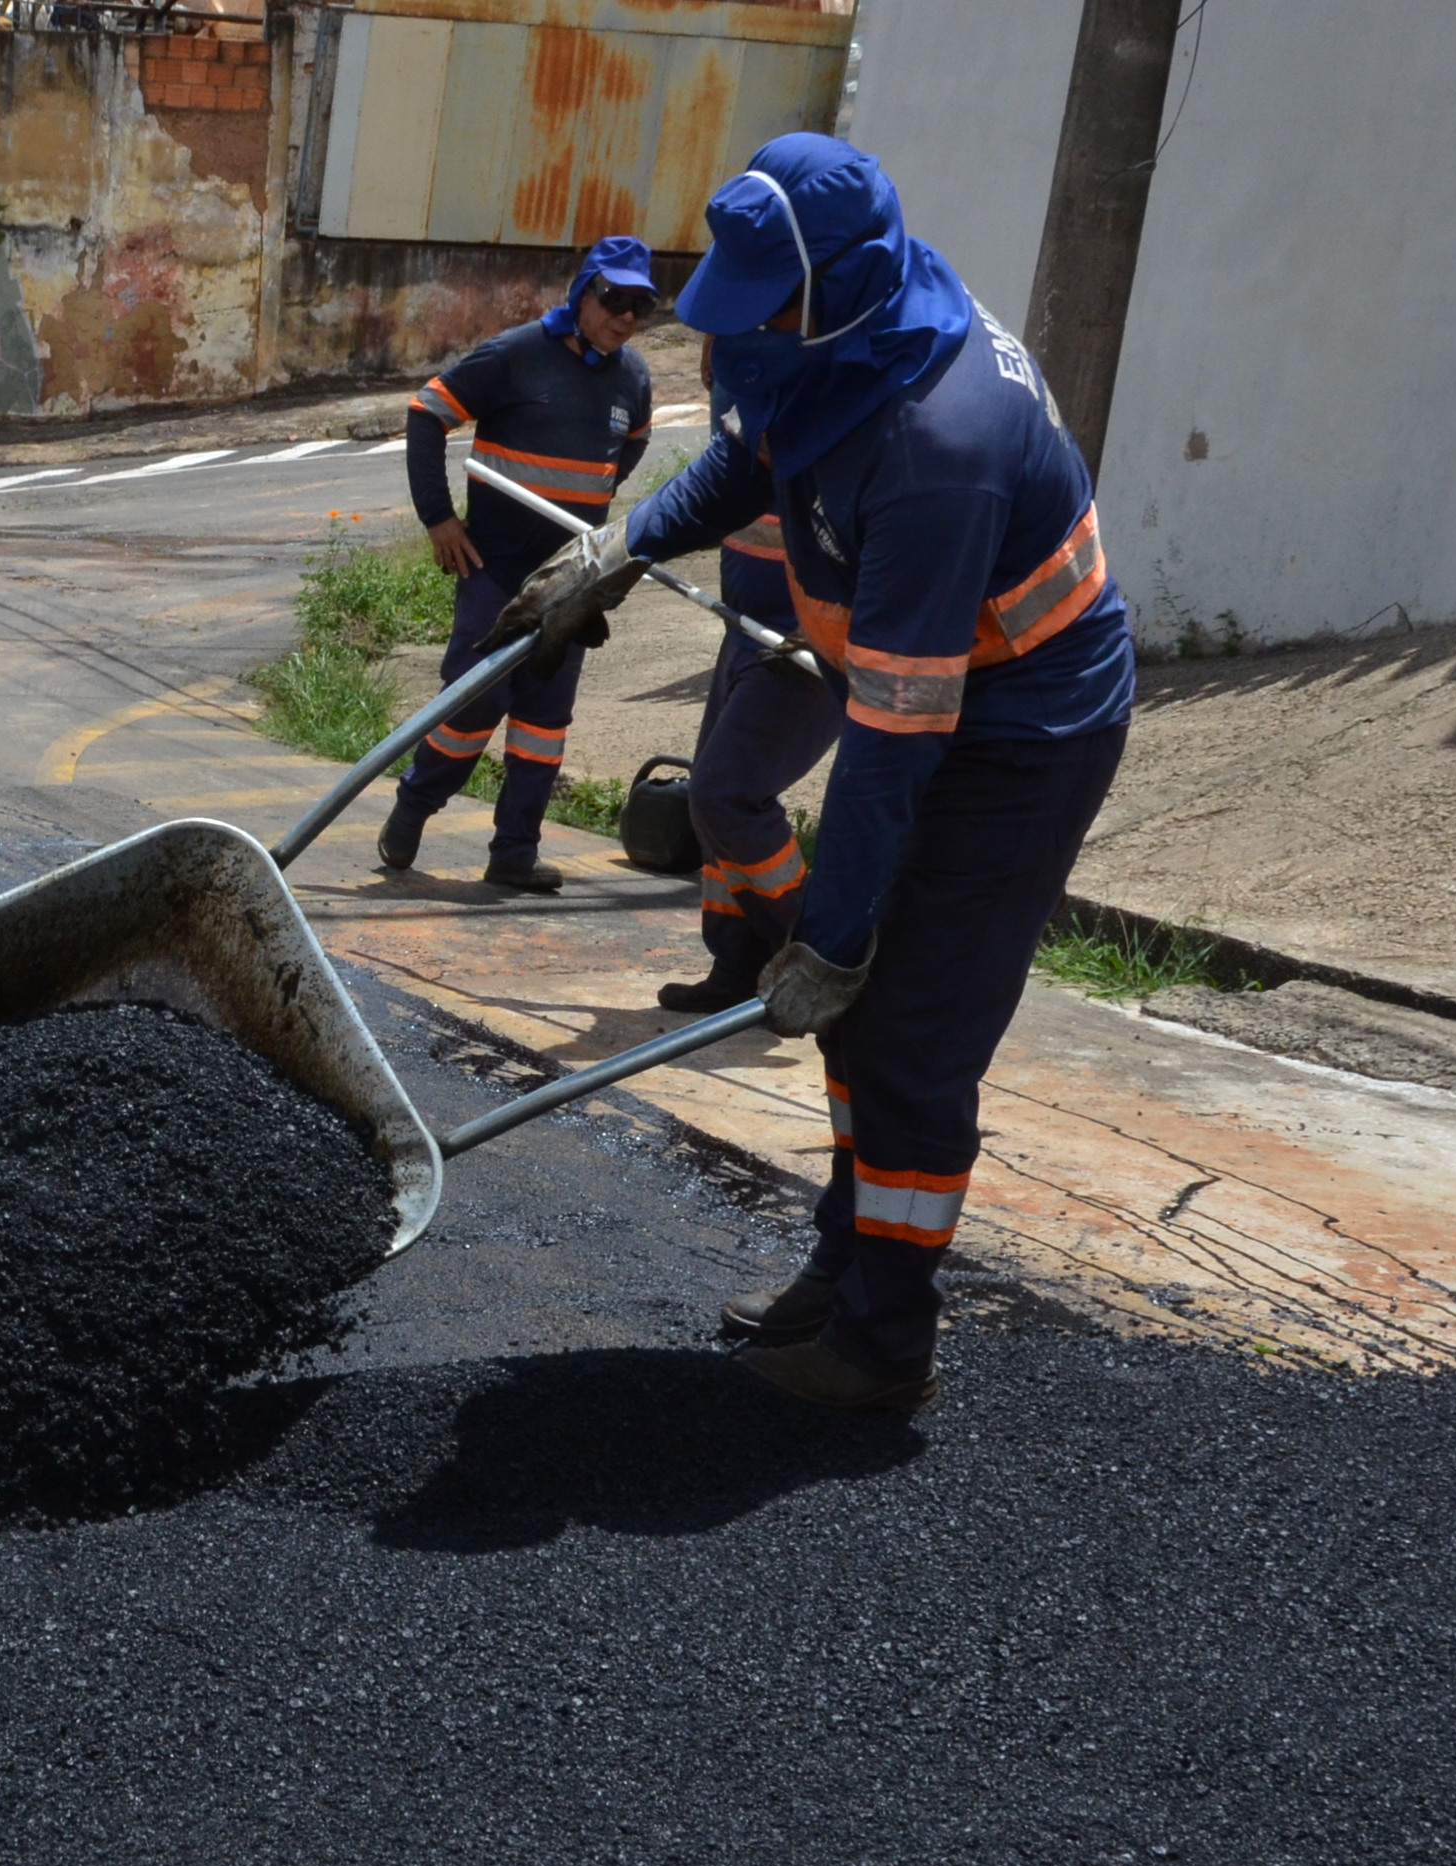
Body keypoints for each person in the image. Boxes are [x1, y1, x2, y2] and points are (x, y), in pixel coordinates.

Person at [496, 134, 1136, 1412]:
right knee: (864, 1023)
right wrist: (618, 550)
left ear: (839, 283)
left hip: (1022, 734)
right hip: (927, 700)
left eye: (762, 308)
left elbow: (896, 745)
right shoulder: (834, 335)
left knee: (905, 1032)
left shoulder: (937, 447)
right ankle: (846, 1271)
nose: (740, 335)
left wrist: (830, 940)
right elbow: (750, 453)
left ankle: (885, 1345)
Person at [380, 234, 663, 895]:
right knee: (471, 710)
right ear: (583, 292)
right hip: (498, 570)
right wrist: (439, 518)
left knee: (542, 725)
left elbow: (637, 441)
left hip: (574, 580)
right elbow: (427, 414)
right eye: (613, 298)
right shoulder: (516, 356)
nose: (624, 315)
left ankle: (515, 853)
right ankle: (415, 806)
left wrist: (590, 495)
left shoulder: (635, 377)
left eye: (638, 306)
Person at [653, 366, 841, 1013]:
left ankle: (819, 953)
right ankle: (737, 964)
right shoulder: (740, 401)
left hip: (806, 641)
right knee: (713, 806)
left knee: (725, 793)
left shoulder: (837, 412)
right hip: (746, 630)